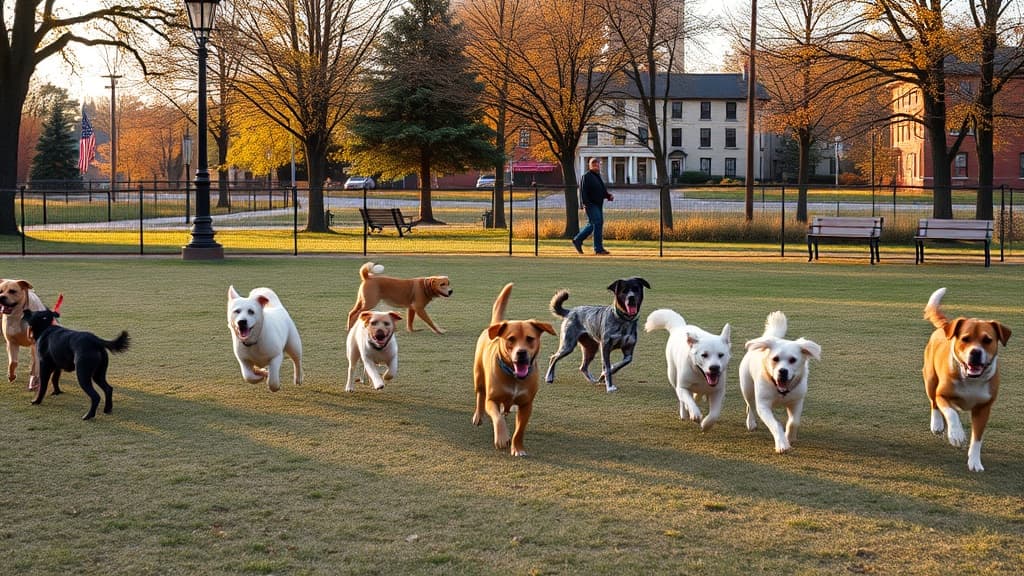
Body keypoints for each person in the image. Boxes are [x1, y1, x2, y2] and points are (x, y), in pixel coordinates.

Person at [572, 158, 614, 255]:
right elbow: (582, 191)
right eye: (594, 164)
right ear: (590, 165)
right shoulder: (586, 176)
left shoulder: (598, 176)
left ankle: (577, 240)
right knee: (598, 222)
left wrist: (608, 196)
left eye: (598, 164)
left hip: (598, 204)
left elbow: (602, 190)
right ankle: (598, 249)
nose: (596, 165)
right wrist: (583, 204)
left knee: (593, 224)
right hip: (590, 204)